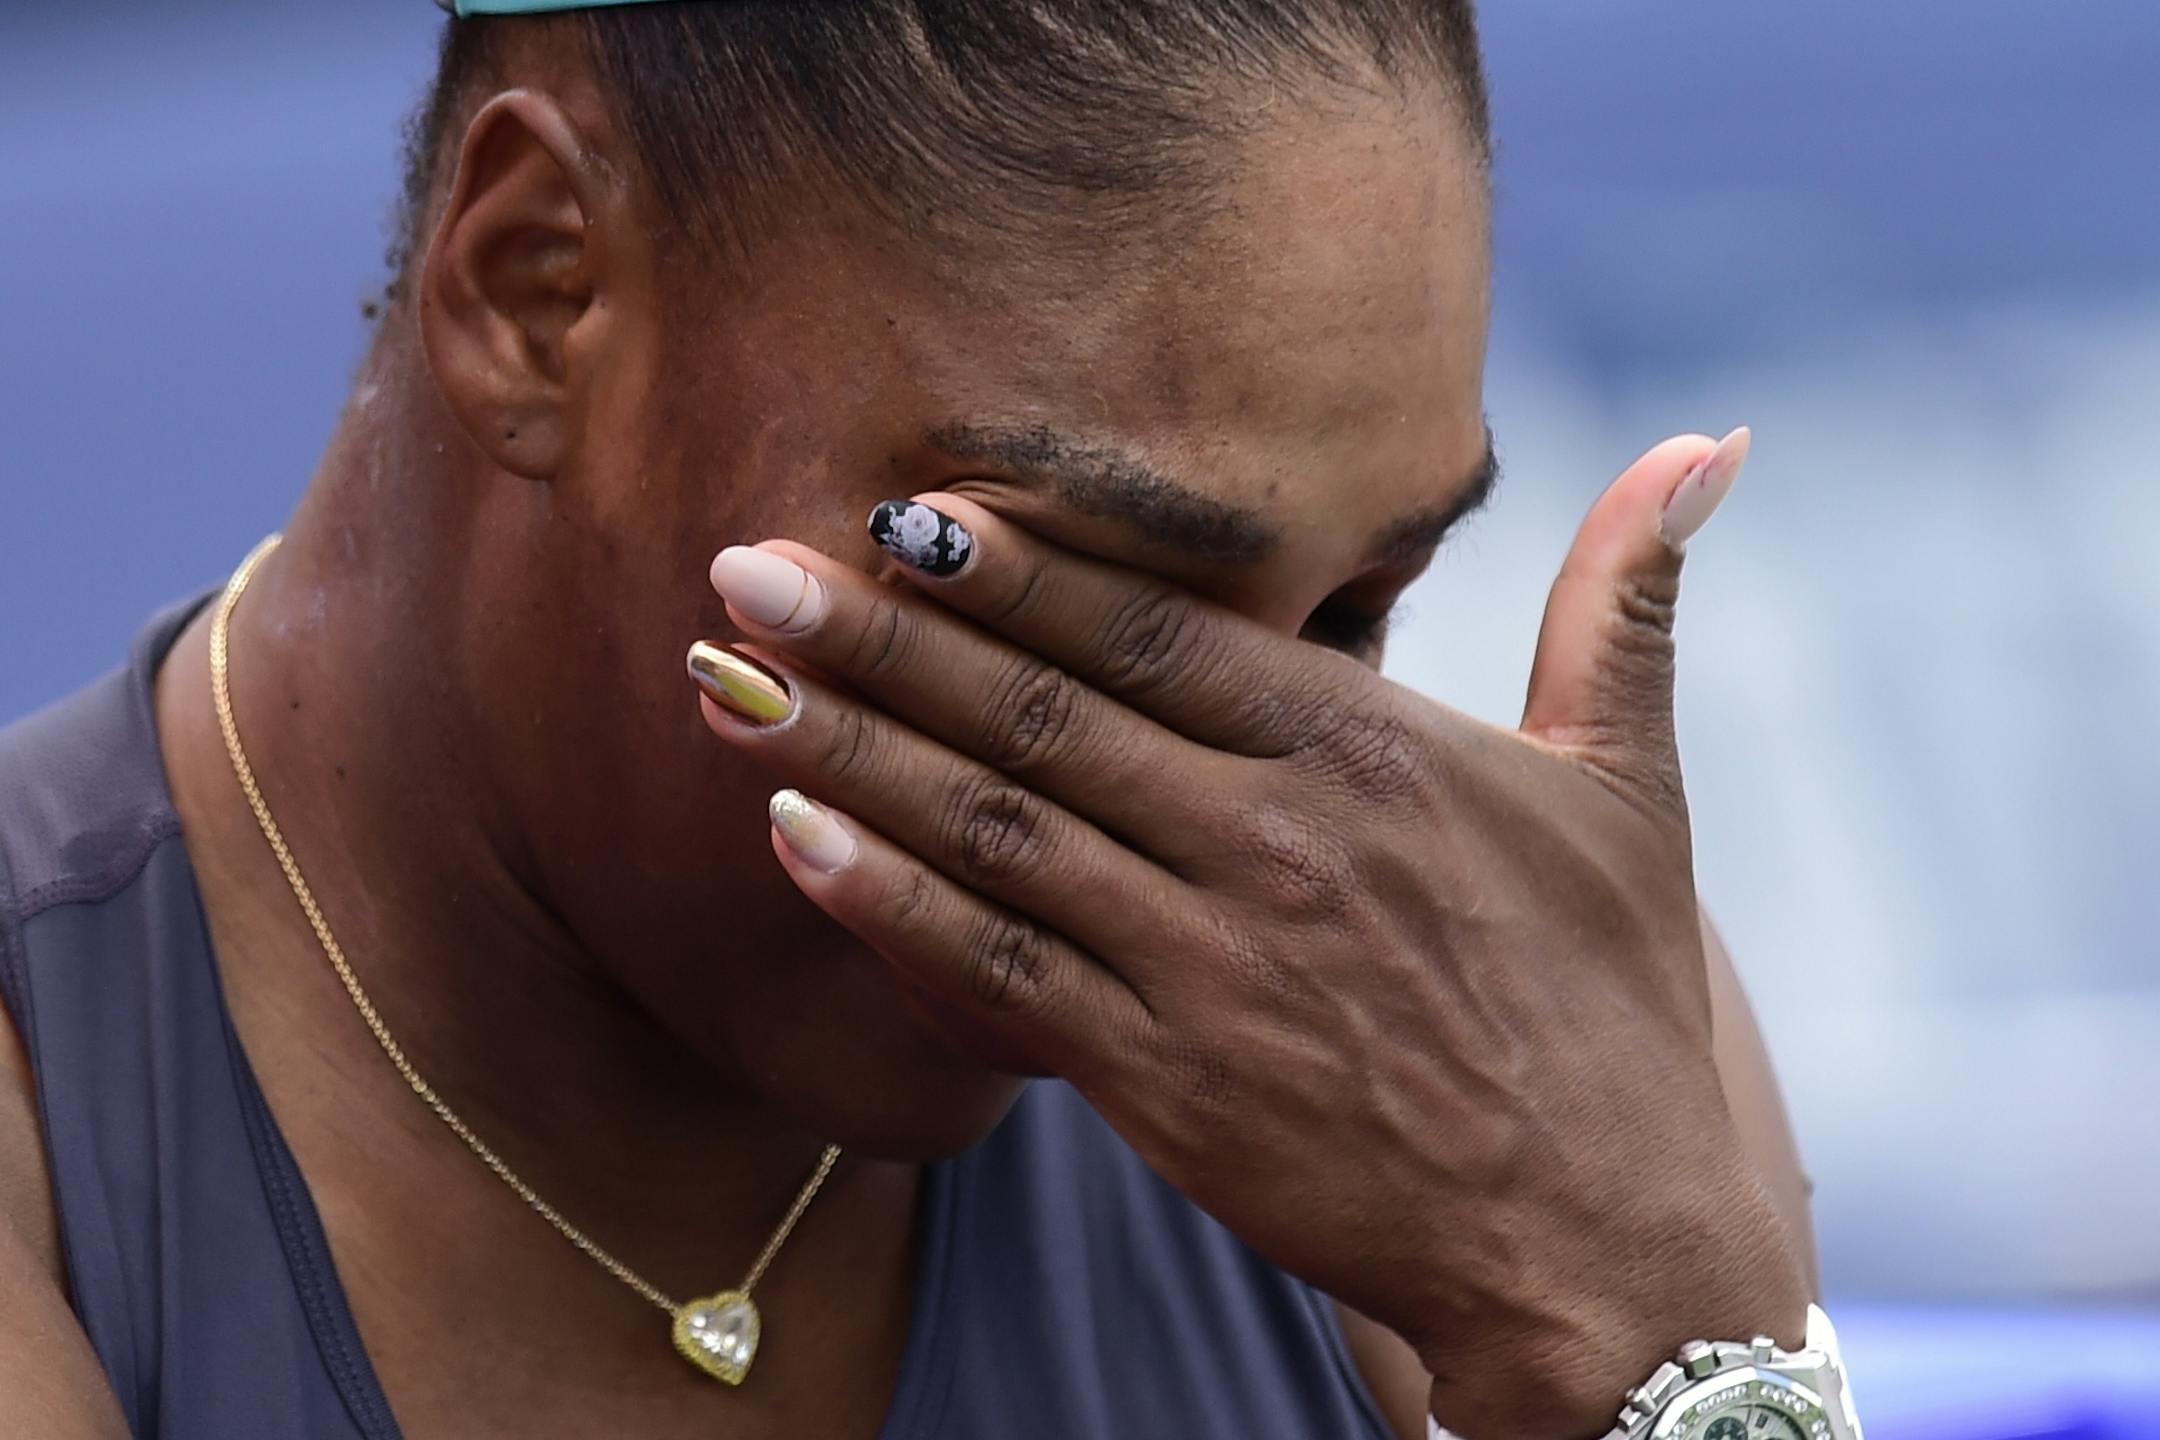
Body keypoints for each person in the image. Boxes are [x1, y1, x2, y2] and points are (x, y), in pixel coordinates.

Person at [0, 2, 1828, 1437]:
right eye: (1068, 603)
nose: (1265, 827)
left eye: (1355, 613)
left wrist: (1645, 1348)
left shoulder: (1496, 1070)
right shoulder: (62, 1147)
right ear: (537, 289)